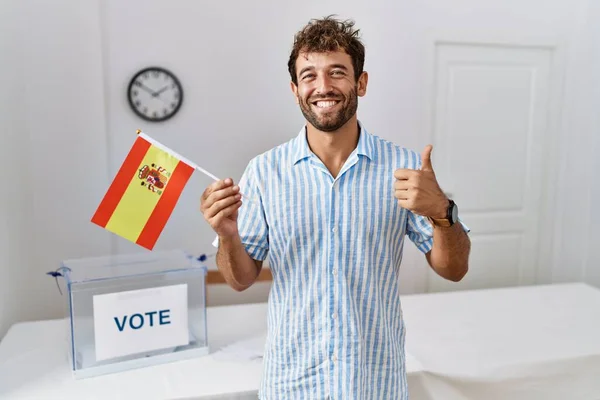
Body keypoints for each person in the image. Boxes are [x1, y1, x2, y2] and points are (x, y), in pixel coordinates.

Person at [200, 15, 471, 400]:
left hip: (374, 380)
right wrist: (227, 236)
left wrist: (443, 213)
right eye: (308, 75)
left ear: (361, 82)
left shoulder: (405, 170)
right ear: (295, 89)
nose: (322, 87)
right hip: (292, 381)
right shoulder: (263, 172)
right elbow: (240, 278)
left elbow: (454, 270)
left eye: (337, 72)